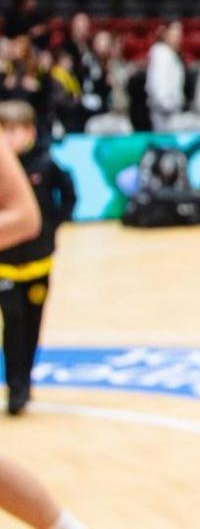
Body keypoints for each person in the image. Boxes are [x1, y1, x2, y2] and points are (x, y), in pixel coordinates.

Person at [0, 101, 73, 416]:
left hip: (39, 259)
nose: (8, 138)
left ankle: (25, 380)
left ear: (29, 132)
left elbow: (67, 197)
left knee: (31, 323)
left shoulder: (45, 164)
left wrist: (51, 227)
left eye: (14, 130)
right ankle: (15, 385)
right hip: (5, 262)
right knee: (12, 322)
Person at [145, 21, 186, 131]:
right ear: (165, 34)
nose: (178, 38)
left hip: (172, 109)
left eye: (180, 35)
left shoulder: (171, 54)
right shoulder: (160, 53)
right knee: (164, 144)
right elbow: (157, 83)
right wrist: (166, 105)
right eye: (175, 34)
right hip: (164, 111)